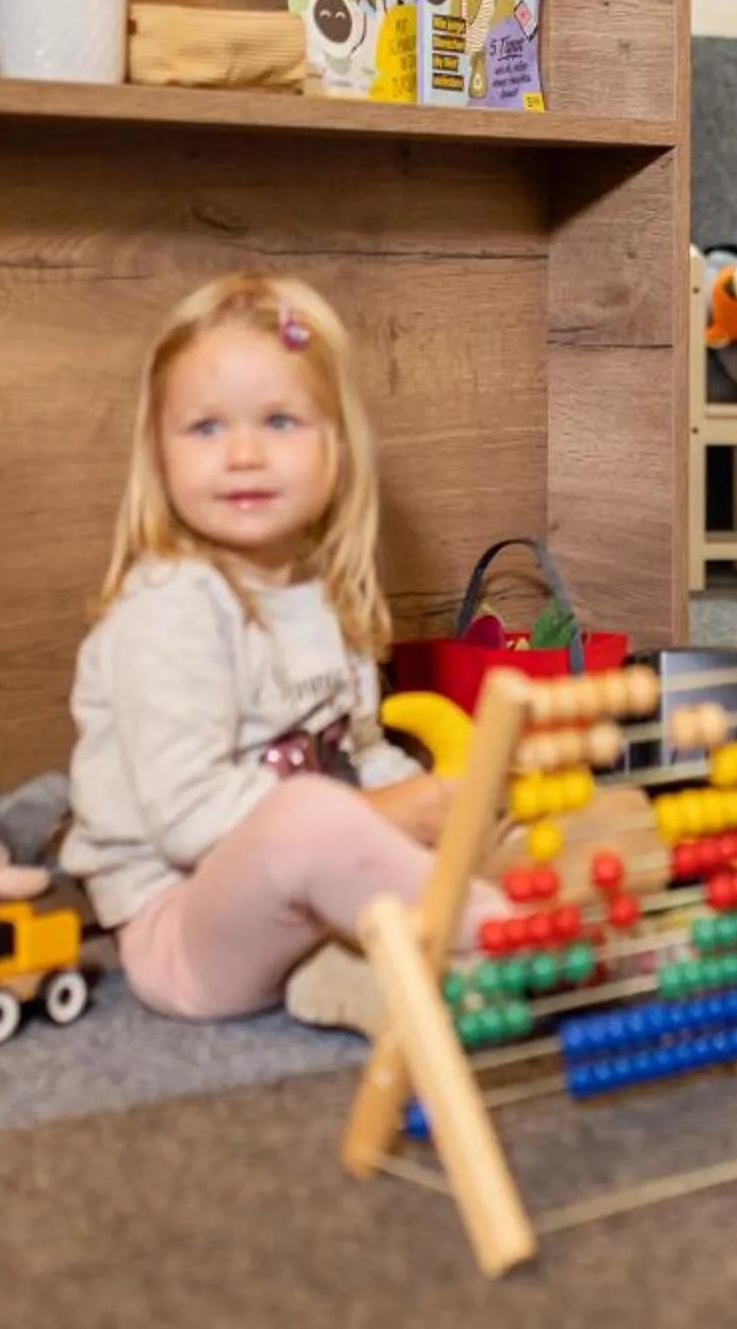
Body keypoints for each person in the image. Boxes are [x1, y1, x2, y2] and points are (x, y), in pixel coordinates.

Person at [59, 272, 498, 1030]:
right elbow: (192, 820)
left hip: (296, 902)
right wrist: (386, 813)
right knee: (310, 819)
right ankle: (508, 936)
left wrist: (440, 808)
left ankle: (366, 973)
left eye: (280, 422)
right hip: (185, 930)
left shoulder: (323, 595)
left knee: (489, 813)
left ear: (337, 447)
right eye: (204, 428)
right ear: (158, 455)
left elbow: (357, 751)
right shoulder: (170, 609)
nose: (242, 454)